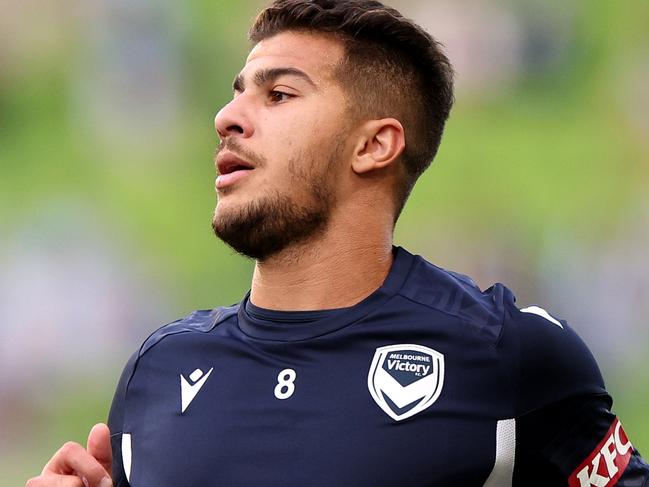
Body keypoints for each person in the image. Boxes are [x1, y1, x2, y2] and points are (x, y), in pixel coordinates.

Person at [27, 1, 649, 486]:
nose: (227, 115)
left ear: (374, 145)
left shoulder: (506, 351)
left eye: (279, 94)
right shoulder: (155, 372)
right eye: (237, 90)